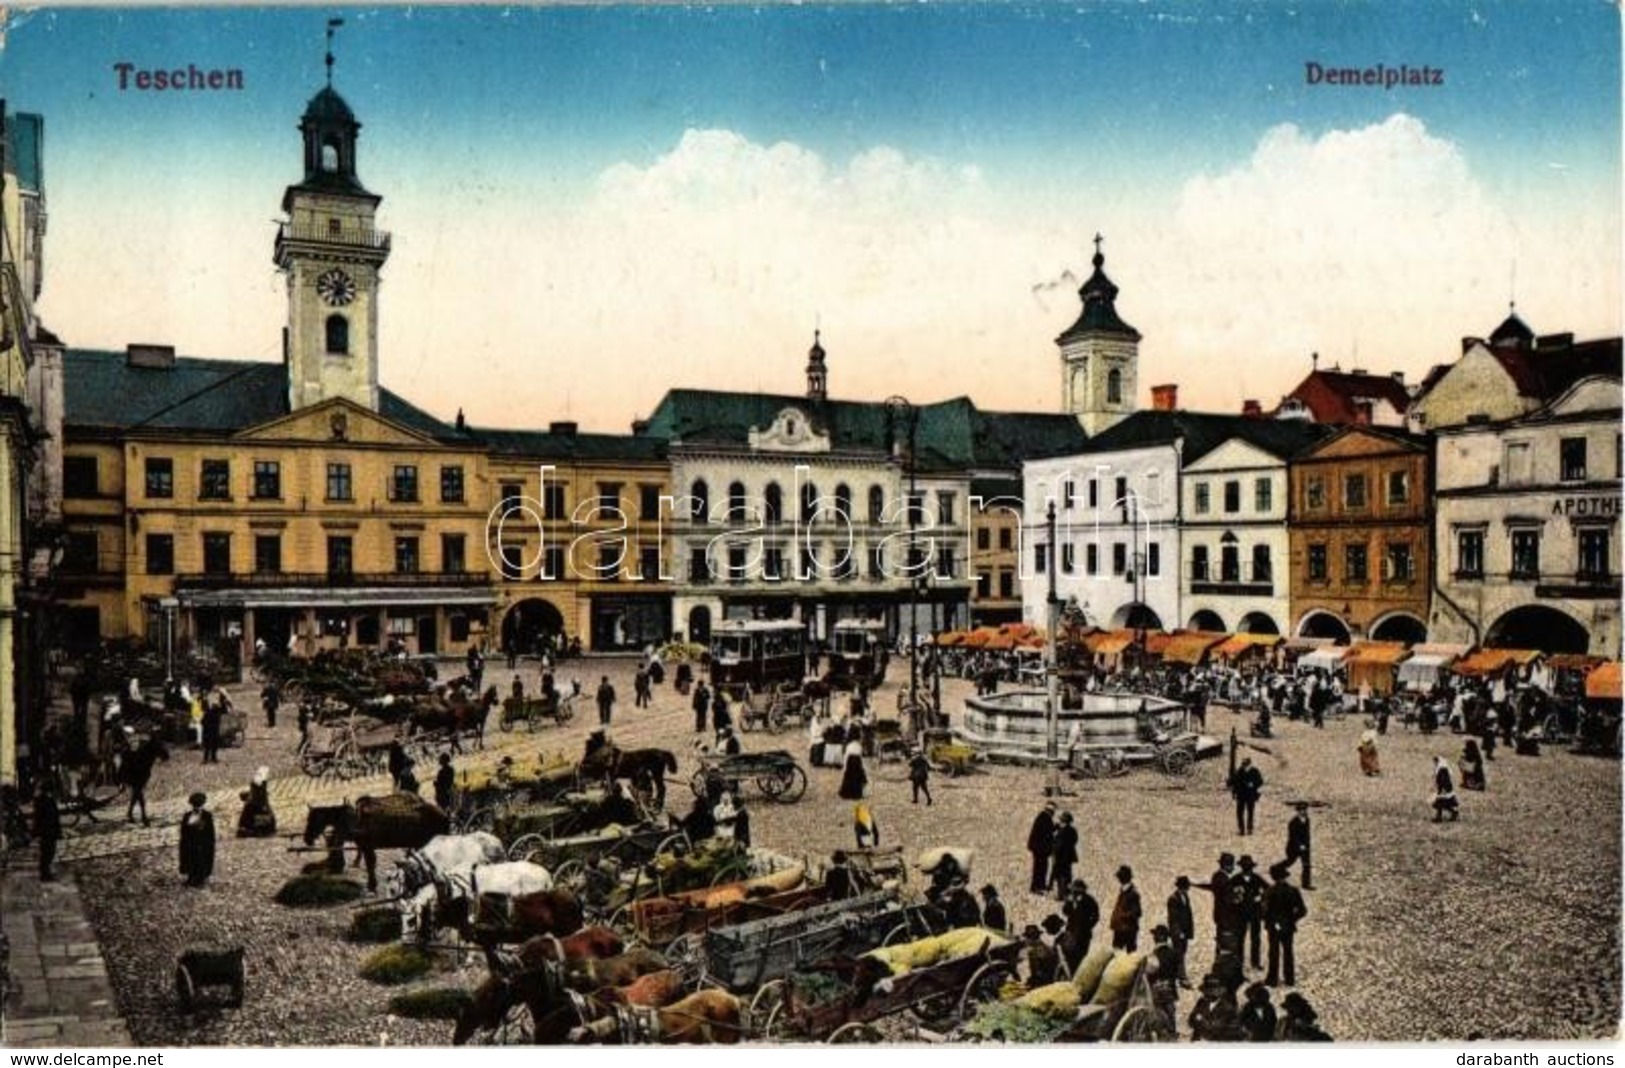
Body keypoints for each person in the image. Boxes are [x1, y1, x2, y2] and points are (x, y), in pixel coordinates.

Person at [1263, 863, 1306, 987]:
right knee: (1288, 952)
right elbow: (1302, 910)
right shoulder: (1293, 891)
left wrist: (1272, 922)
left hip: (1274, 927)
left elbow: (1264, 911)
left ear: (1273, 877)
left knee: (1273, 953)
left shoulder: (1269, 892)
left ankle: (1272, 979)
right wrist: (1291, 920)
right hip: (1288, 927)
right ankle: (1289, 979)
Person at [1059, 878, 1099, 973]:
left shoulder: (1089, 901)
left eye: (1075, 890)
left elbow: (1096, 916)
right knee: (1070, 955)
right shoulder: (1071, 900)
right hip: (1071, 932)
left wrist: (1088, 926)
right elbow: (1065, 911)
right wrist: (1069, 902)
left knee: (1081, 957)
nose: (1073, 892)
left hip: (1083, 935)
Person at [1235, 855, 1266, 972]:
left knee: (1255, 938)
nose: (1247, 870)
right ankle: (1239, 962)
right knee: (1240, 939)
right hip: (1241, 913)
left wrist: (1260, 897)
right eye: (1245, 867)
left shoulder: (1257, 878)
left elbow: (1268, 889)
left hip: (1255, 913)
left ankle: (1255, 962)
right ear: (1242, 868)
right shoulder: (1236, 879)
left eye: (1249, 867)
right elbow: (1229, 893)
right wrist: (1236, 898)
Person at [1147, 925, 1181, 1036]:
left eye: (1155, 936)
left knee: (1158, 1011)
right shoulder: (1175, 954)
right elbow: (1180, 974)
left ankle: (1163, 1033)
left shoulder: (1152, 956)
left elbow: (1148, 976)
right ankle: (1172, 1032)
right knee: (1170, 1011)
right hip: (1170, 989)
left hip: (1155, 990)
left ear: (1157, 938)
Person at [1188, 974, 1242, 1042]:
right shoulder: (1201, 1002)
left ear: (1219, 992)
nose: (1206, 994)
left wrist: (1200, 1019)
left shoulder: (1227, 1008)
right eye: (1206, 991)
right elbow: (1191, 1021)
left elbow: (1214, 1028)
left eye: (1210, 991)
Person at [179, 792, 216, 888]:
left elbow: (210, 832)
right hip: (191, 843)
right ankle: (191, 877)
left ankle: (200, 878)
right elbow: (184, 832)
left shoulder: (207, 816)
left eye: (198, 805)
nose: (196, 807)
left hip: (202, 844)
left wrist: (208, 844)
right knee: (190, 860)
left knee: (201, 860)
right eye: (195, 805)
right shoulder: (187, 816)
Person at [1167, 875, 1195, 986]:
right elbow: (1173, 918)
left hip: (1185, 931)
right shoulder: (1173, 899)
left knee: (1182, 952)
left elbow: (1188, 915)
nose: (1187, 888)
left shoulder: (1185, 896)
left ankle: (1175, 973)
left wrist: (1188, 931)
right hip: (1178, 932)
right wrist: (1179, 932)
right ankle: (1182, 977)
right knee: (1179, 953)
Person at [236, 766, 277, 838]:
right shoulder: (263, 802)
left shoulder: (250, 805)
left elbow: (242, 826)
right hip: (264, 828)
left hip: (257, 828)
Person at [1109, 865, 1142, 951]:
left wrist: (1122, 916)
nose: (1118, 879)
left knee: (1129, 954)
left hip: (1127, 929)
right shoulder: (1124, 891)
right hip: (1120, 928)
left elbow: (1137, 912)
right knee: (1117, 952)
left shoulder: (1132, 893)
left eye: (1120, 877)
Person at [34, 781, 62, 882]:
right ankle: (45, 874)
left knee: (47, 853)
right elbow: (53, 817)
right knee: (48, 852)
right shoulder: (47, 801)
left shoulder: (40, 800)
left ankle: (45, 872)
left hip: (46, 831)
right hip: (49, 831)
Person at [1026, 801, 1056, 894]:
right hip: (1040, 849)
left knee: (1041, 867)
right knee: (1040, 868)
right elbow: (1046, 833)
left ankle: (1039, 885)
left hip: (1038, 848)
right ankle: (1037, 886)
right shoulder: (1045, 818)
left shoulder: (1043, 817)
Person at [1229, 757, 1264, 835]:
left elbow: (1260, 781)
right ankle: (1241, 829)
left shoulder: (1255, 771)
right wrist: (1234, 791)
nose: (1245, 767)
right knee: (1239, 813)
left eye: (1246, 765)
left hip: (1250, 795)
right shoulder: (1239, 771)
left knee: (1250, 812)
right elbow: (1235, 782)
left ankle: (1249, 829)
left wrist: (1253, 784)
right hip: (1241, 795)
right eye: (1244, 765)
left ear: (1250, 764)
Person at [1284, 802, 1313, 890]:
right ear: (1297, 811)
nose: (1303, 812)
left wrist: (1307, 845)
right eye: (1301, 810)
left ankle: (1306, 884)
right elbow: (1293, 836)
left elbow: (1307, 834)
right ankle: (1278, 870)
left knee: (1306, 865)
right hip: (1293, 847)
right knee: (1289, 862)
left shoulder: (1307, 820)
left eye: (1304, 810)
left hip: (1305, 847)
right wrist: (1300, 845)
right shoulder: (1293, 822)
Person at [1049, 811, 1079, 898]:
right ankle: (1066, 893)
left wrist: (1054, 846)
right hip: (1068, 857)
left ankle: (1061, 894)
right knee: (1067, 875)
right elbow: (1075, 840)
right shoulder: (1072, 830)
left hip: (1060, 856)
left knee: (1060, 875)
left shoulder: (1062, 832)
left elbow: (1058, 844)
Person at [838, 734, 868, 801]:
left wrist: (845, 767)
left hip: (850, 766)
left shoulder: (849, 746)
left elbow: (846, 757)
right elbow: (861, 758)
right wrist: (863, 768)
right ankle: (856, 793)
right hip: (857, 767)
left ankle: (848, 793)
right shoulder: (859, 746)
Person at [1432, 755, 1460, 822]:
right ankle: (1452, 813)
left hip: (1444, 790)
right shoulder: (1442, 768)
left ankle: (1439, 817)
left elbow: (1444, 780)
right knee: (1444, 804)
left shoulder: (1442, 769)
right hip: (1444, 789)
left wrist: (1442, 789)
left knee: (1441, 804)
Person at [200, 692, 225, 764]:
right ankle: (206, 757)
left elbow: (222, 710)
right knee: (207, 741)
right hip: (208, 723)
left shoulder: (217, 706)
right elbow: (202, 708)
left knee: (214, 741)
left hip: (213, 723)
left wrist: (222, 699)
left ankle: (213, 757)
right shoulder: (206, 702)